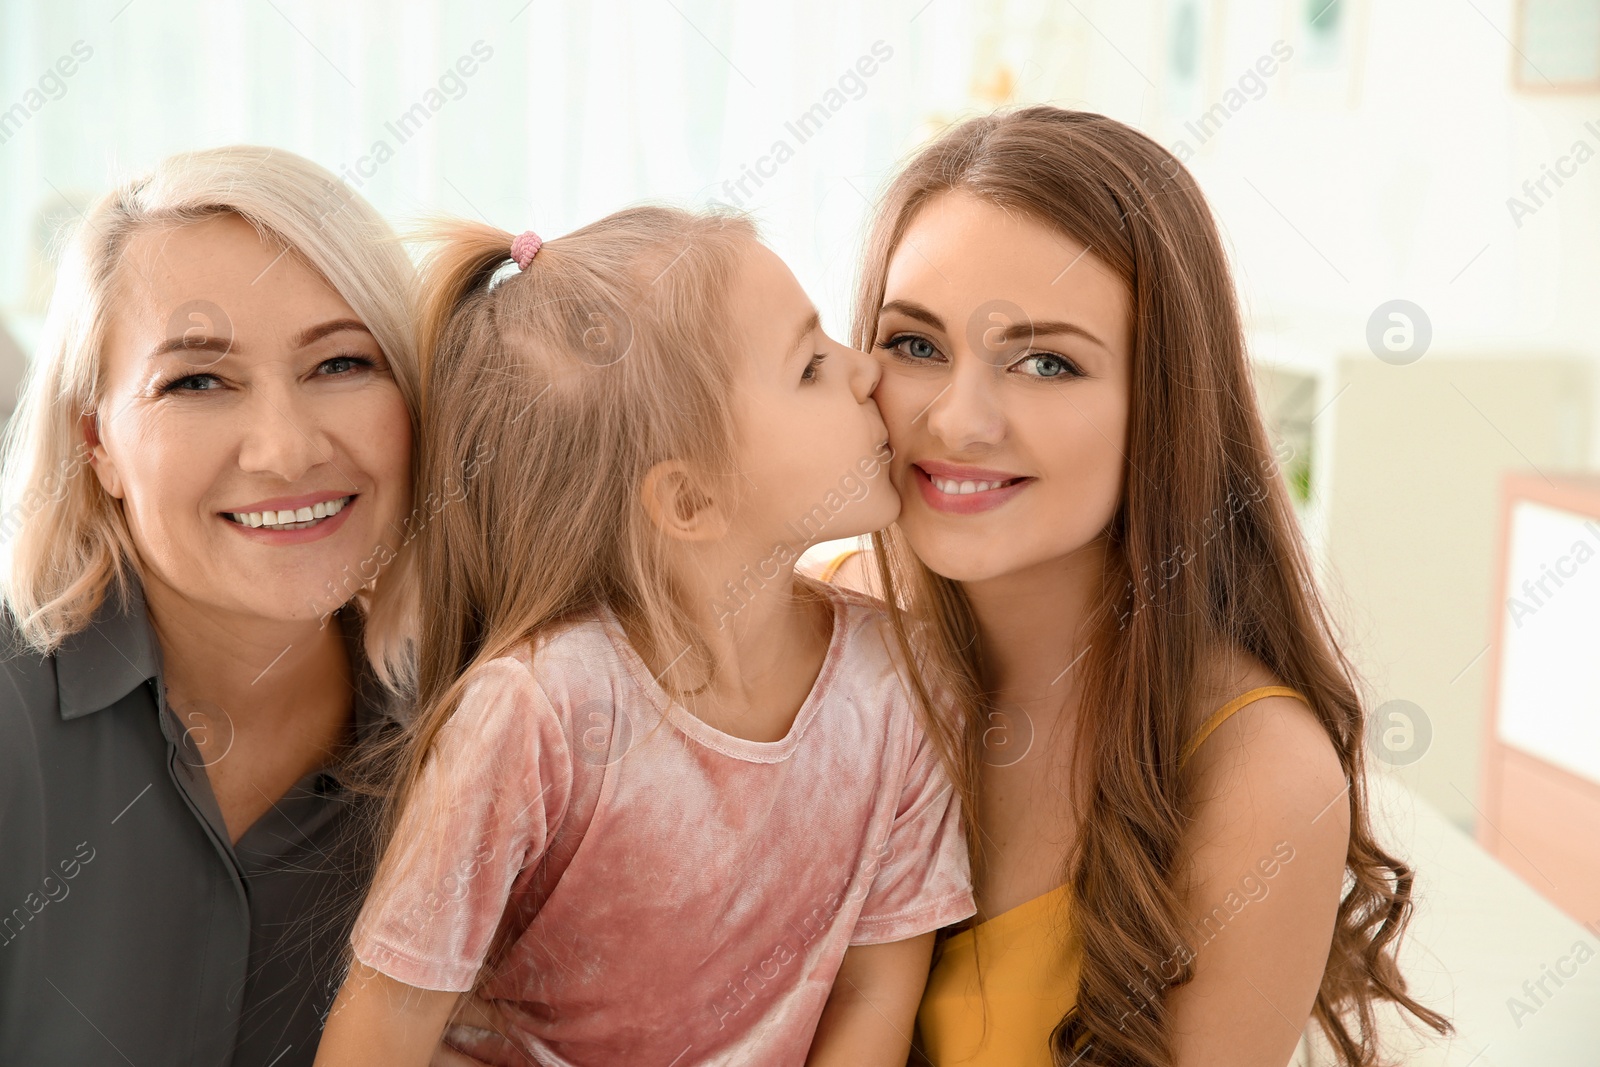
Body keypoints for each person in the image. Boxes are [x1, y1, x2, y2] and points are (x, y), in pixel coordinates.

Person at [847, 107, 1452, 1065]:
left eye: (1046, 362)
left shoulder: (1257, 776)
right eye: (916, 345)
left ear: (1163, 403)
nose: (957, 420)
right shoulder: (821, 622)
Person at [311, 207, 974, 1067]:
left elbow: (875, 991)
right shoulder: (537, 710)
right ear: (689, 501)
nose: (865, 370)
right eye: (811, 365)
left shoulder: (906, 681)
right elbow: (380, 1035)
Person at [0, 146, 421, 1067]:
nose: (283, 450)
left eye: (342, 362)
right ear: (97, 443)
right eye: (196, 381)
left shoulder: (489, 730)